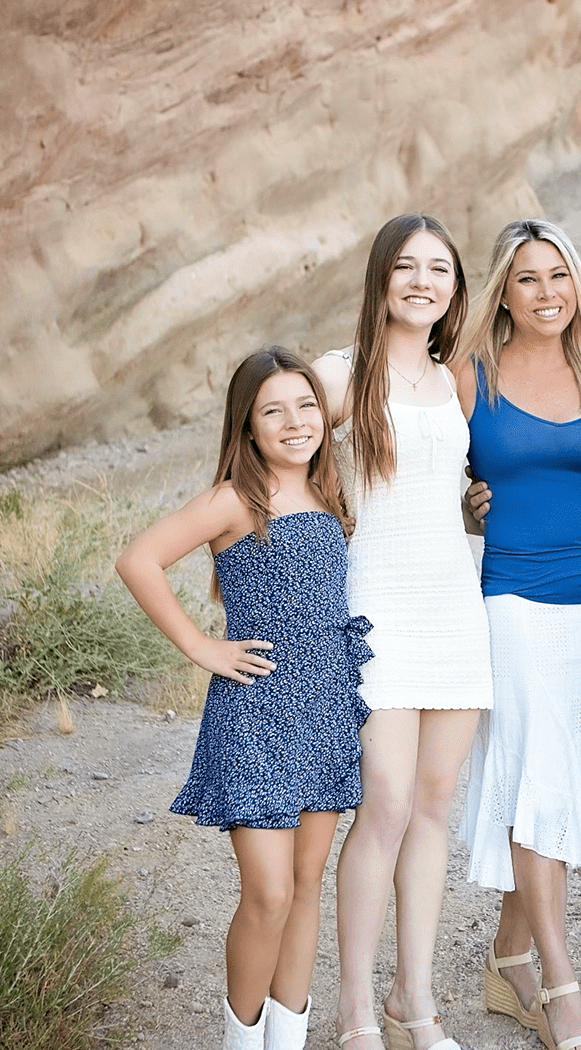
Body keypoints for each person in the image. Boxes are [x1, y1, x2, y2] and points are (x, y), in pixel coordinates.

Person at [116, 346, 371, 1050]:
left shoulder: (330, 490)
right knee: (269, 892)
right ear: (247, 427)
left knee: (307, 883)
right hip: (257, 712)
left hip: (324, 709)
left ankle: (286, 1040)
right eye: (273, 410)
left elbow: (370, 379)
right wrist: (201, 647)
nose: (294, 422)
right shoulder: (235, 499)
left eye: (306, 405)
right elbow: (137, 559)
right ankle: (241, 1041)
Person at [312, 214, 492, 1050]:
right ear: (382, 278)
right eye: (407, 267)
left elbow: (446, 486)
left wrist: (470, 505)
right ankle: (353, 1008)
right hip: (376, 601)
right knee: (382, 805)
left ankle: (413, 1004)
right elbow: (285, 470)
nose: (423, 282)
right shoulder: (339, 375)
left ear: (455, 287)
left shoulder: (456, 376)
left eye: (440, 270)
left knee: (431, 808)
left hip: (454, 603)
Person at [454, 218, 581, 1050]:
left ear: (577, 285)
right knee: (538, 775)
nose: (547, 293)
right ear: (503, 291)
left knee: (559, 783)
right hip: (514, 597)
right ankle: (562, 992)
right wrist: (460, 508)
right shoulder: (466, 377)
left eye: (559, 276)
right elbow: (422, 473)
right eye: (528, 279)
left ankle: (507, 957)